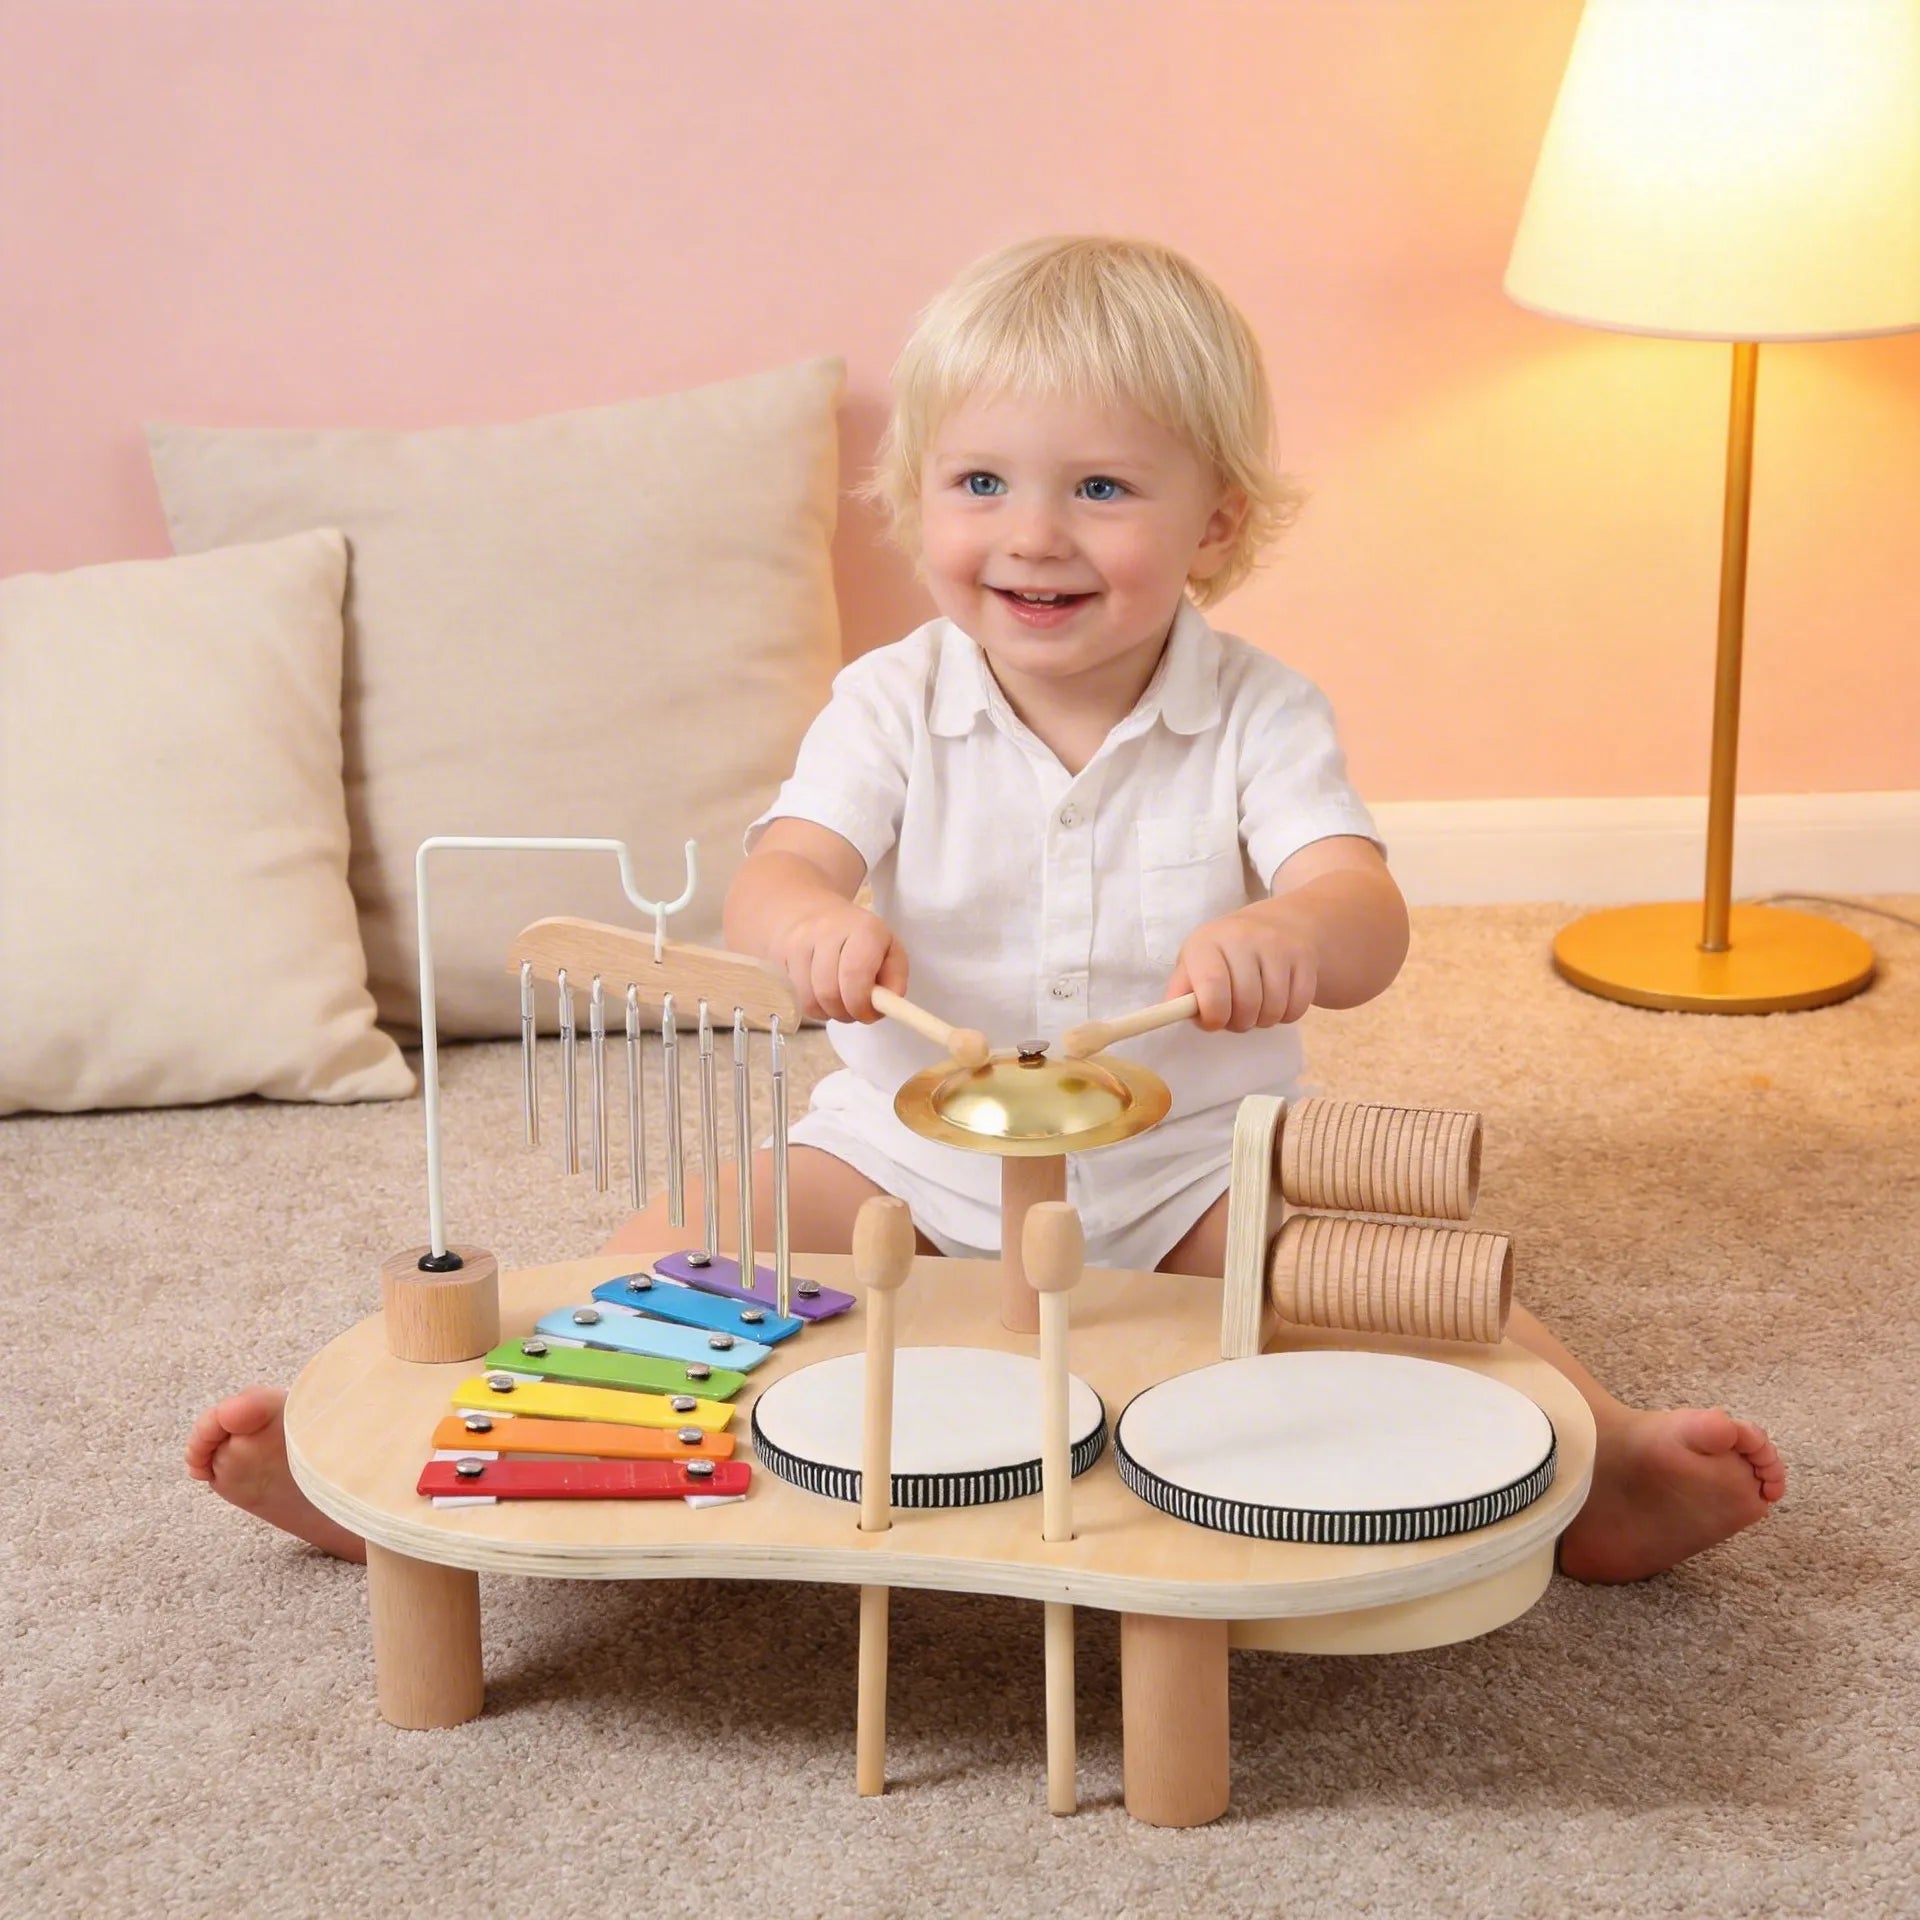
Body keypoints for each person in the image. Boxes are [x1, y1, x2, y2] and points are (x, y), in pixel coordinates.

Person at [188, 235, 1784, 1582]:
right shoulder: (891, 700)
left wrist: (1295, 934)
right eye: (980, 482)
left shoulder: (1262, 713)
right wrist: (808, 921)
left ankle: (1608, 1469)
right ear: (919, 500)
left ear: (1217, 522)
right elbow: (776, 871)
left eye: (1100, 487)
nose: (1032, 534)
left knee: (1412, 1292)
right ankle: (431, 1505)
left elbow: (1364, 913)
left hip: (1183, 1171)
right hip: (897, 1155)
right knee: (660, 1255)